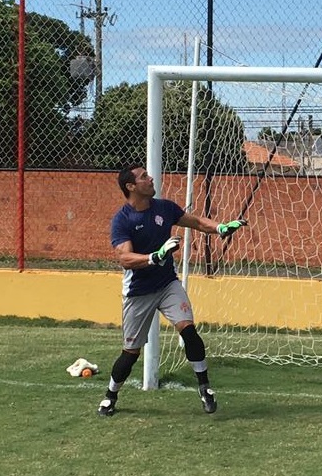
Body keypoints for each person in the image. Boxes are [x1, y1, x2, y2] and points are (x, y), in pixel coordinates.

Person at [98, 164, 247, 417]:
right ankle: (110, 396)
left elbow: (197, 222)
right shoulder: (122, 220)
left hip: (167, 285)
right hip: (138, 292)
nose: (151, 177)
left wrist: (220, 228)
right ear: (131, 187)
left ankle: (205, 387)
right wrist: (155, 256)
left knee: (188, 330)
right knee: (131, 353)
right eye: (144, 177)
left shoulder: (164, 208)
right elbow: (125, 258)